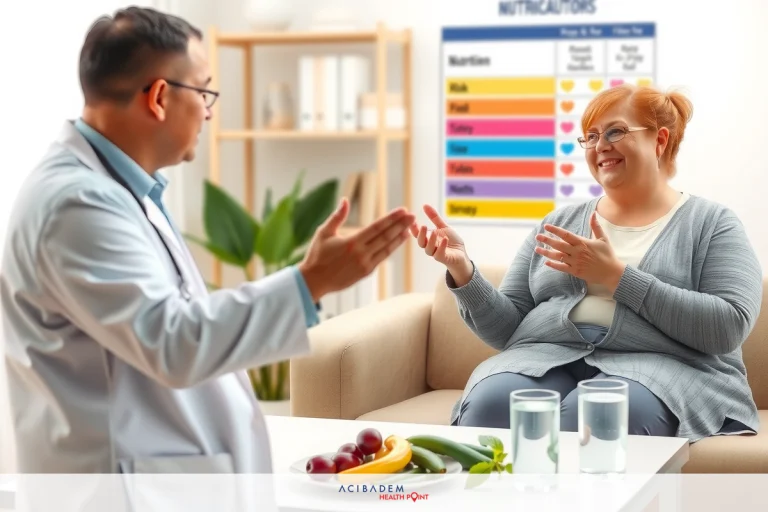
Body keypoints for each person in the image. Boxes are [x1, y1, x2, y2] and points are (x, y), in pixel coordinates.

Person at [0, 6, 414, 474]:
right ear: (159, 97)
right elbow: (174, 341)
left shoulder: (122, 190)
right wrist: (309, 282)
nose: (210, 112)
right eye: (205, 91)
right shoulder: (76, 207)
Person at [411, 83, 763, 441]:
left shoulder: (712, 224)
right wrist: (463, 271)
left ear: (659, 141)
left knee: (594, 413)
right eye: (591, 136)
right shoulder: (557, 223)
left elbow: (728, 326)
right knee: (491, 406)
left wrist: (616, 277)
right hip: (547, 356)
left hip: (665, 367)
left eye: (616, 132)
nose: (600, 146)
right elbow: (508, 331)